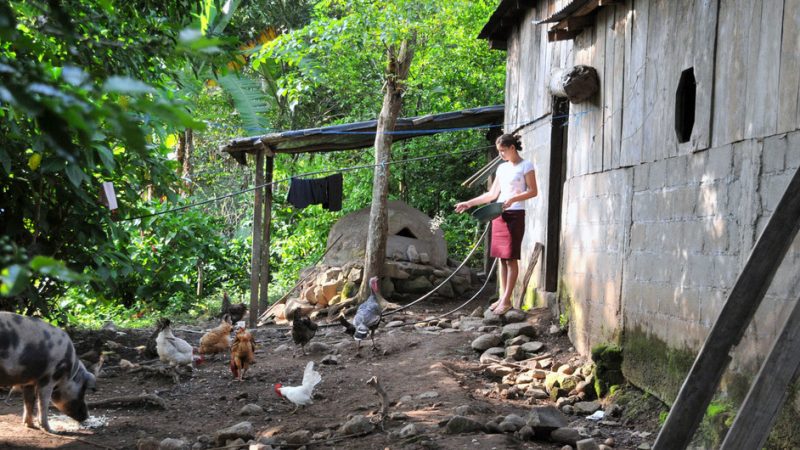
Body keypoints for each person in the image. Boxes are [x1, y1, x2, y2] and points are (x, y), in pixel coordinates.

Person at [455, 133, 538, 315]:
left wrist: (513, 198)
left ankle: (507, 300)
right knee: (502, 258)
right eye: (499, 151)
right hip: (499, 213)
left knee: (511, 257)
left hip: (515, 214)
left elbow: (533, 191)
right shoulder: (501, 168)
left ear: (512, 148)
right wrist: (469, 203)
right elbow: (492, 195)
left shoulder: (526, 165)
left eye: (503, 151)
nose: (501, 154)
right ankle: (502, 297)